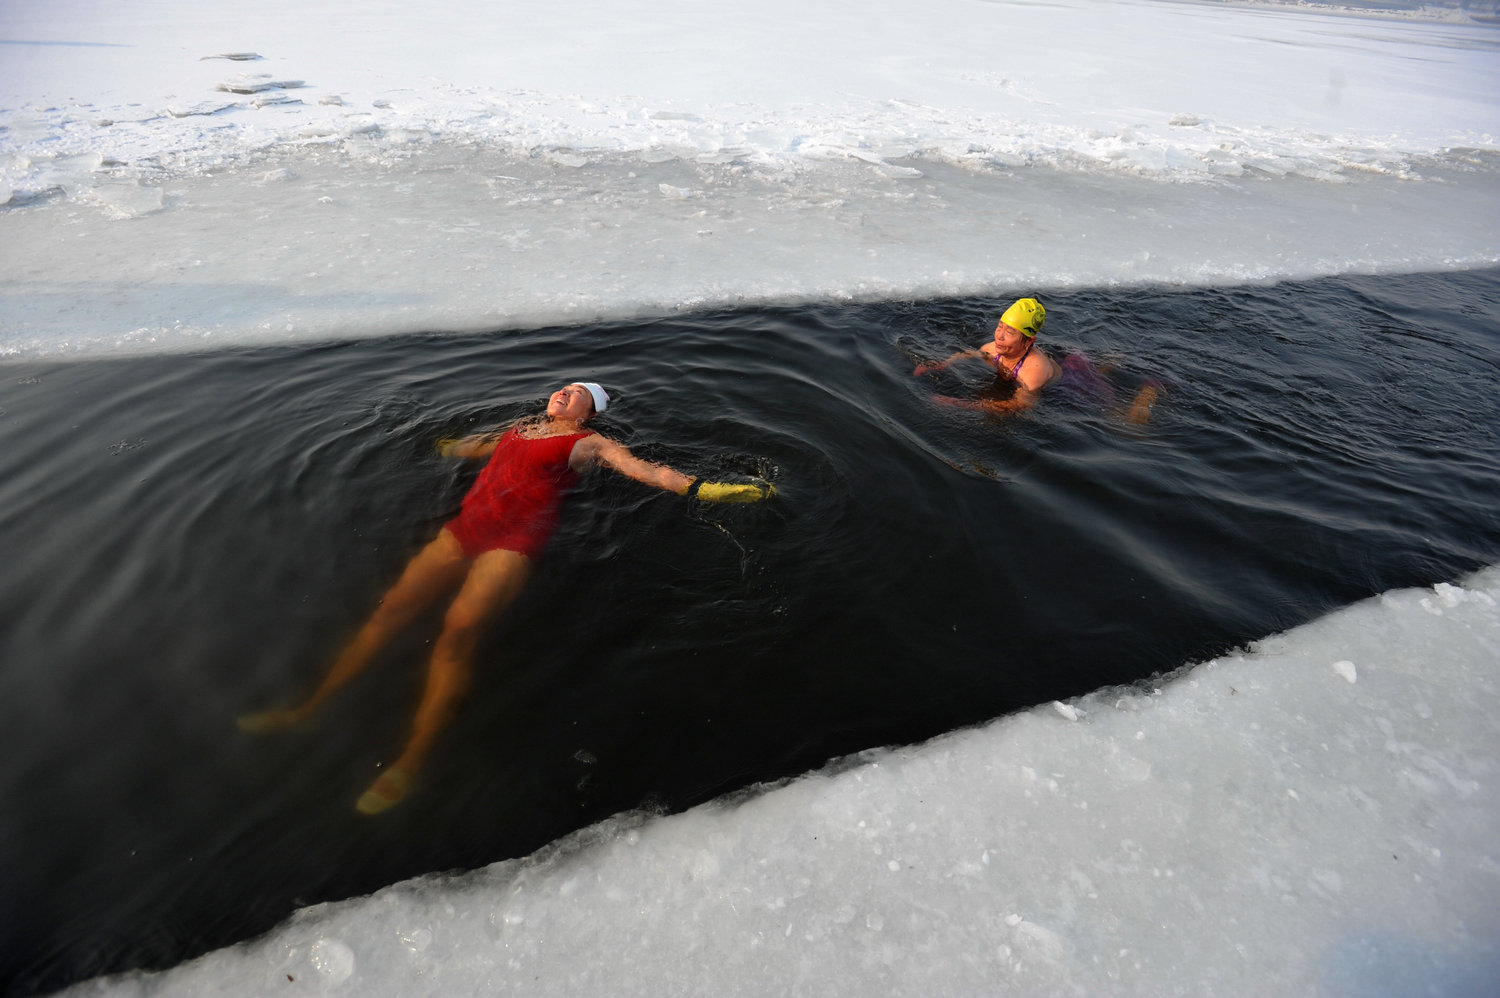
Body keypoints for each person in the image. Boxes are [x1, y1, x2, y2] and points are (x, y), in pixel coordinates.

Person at [238, 381, 774, 815]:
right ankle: (307, 707)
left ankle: (411, 760)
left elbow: (646, 471)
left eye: (577, 394)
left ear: (589, 413)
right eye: (562, 388)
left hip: (512, 545)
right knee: (389, 614)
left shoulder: (590, 444)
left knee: (455, 636)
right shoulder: (520, 427)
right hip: (462, 530)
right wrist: (427, 440)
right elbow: (469, 449)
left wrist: (705, 489)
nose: (564, 394)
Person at [913, 297, 1159, 422]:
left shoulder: (1032, 371)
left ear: (1029, 341)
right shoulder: (994, 346)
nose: (999, 336)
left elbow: (1018, 406)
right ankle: (1105, 364)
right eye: (1000, 326)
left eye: (1010, 332)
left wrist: (958, 404)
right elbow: (972, 353)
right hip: (1067, 363)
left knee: (1127, 423)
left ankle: (1151, 388)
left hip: (1072, 385)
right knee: (1094, 368)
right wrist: (943, 363)